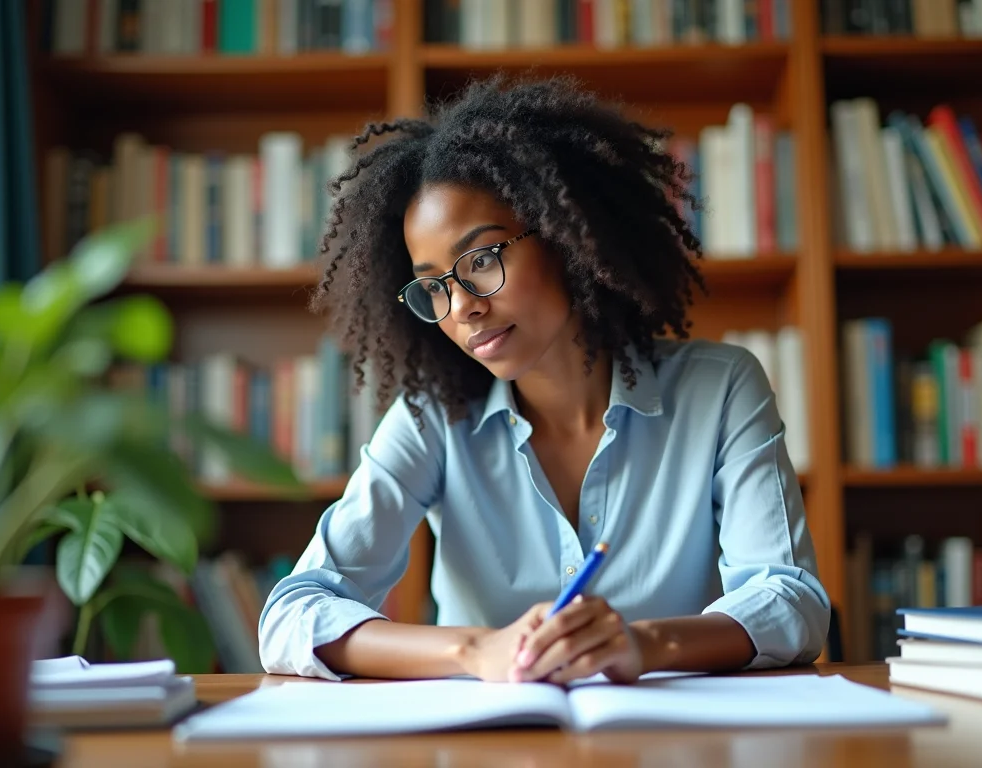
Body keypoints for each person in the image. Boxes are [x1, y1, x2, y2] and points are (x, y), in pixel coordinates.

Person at [258, 74, 830, 685]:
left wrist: (643, 645)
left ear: (568, 236)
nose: (461, 307)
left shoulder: (719, 391)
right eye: (434, 285)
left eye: (481, 260)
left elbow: (790, 599)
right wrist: (475, 651)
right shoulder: (432, 417)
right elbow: (292, 614)